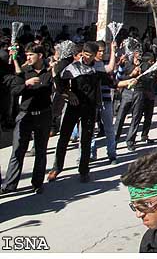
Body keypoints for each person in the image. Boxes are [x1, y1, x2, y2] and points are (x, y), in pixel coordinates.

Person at [48, 41, 112, 183]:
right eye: (86, 54)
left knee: (86, 140)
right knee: (64, 137)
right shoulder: (72, 67)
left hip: (90, 108)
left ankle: (84, 170)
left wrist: (128, 81)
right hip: (73, 107)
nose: (87, 57)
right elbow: (60, 85)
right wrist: (69, 94)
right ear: (82, 52)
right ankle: (57, 168)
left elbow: (111, 82)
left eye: (91, 55)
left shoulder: (98, 68)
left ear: (95, 56)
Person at [1, 44, 52, 195]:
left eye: (31, 55)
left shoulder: (49, 71)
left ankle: (37, 183)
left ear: (40, 56)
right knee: (17, 150)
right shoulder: (23, 72)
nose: (28, 57)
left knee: (41, 151)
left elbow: (52, 88)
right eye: (27, 55)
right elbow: (14, 91)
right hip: (25, 115)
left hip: (43, 114)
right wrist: (26, 85)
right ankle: (9, 185)